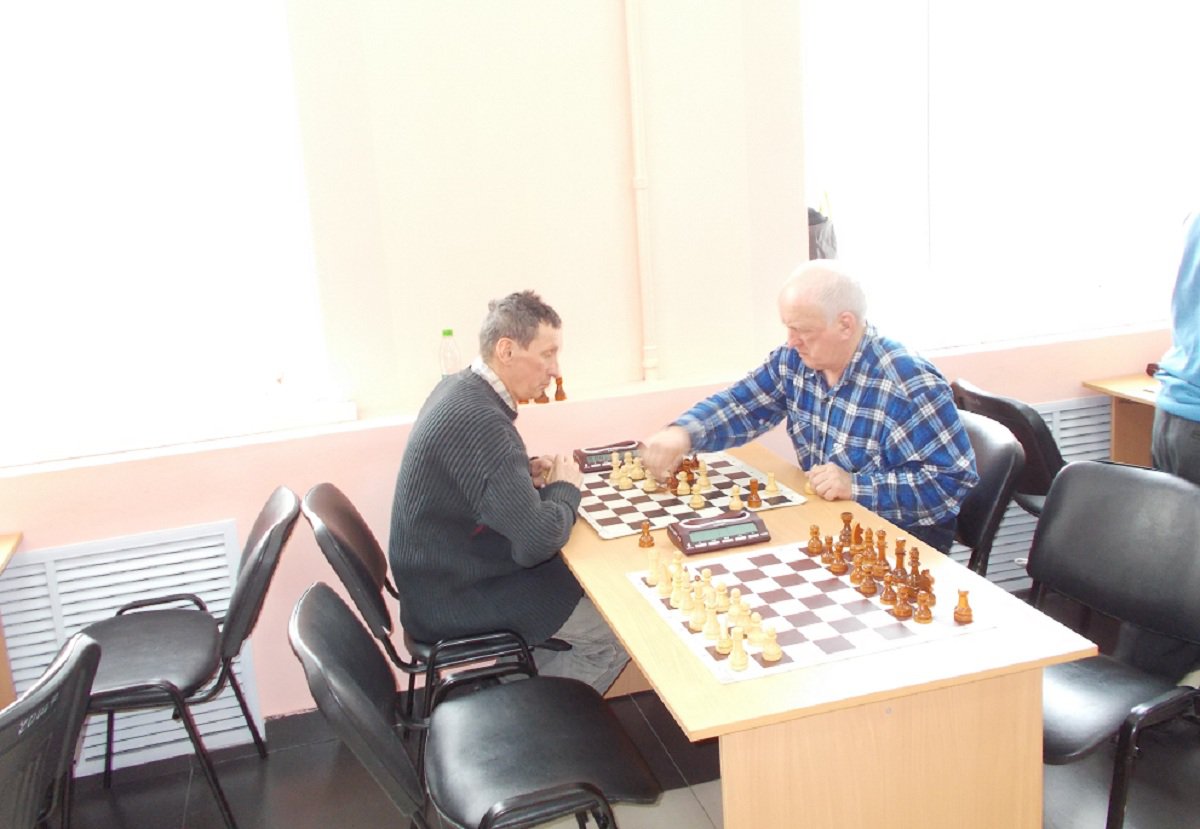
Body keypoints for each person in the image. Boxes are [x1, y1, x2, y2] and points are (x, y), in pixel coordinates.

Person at [641, 260, 978, 552]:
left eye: (803, 330)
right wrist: (684, 434)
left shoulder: (907, 383)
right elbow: (742, 405)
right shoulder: (795, 361)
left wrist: (856, 486)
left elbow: (950, 484)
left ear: (845, 324)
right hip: (829, 522)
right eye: (788, 328)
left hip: (898, 543)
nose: (792, 341)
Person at [388, 290, 628, 694]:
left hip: (440, 578)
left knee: (585, 586)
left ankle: (506, 690)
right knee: (615, 635)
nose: (555, 370)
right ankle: (527, 713)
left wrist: (520, 474)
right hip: (455, 597)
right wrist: (565, 489)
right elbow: (536, 543)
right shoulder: (481, 420)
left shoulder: (459, 387)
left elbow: (475, 479)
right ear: (507, 350)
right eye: (547, 354)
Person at [1116, 212, 1200, 683]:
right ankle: (1149, 703)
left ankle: (1131, 693)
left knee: (1166, 568)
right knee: (1183, 582)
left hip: (1178, 410)